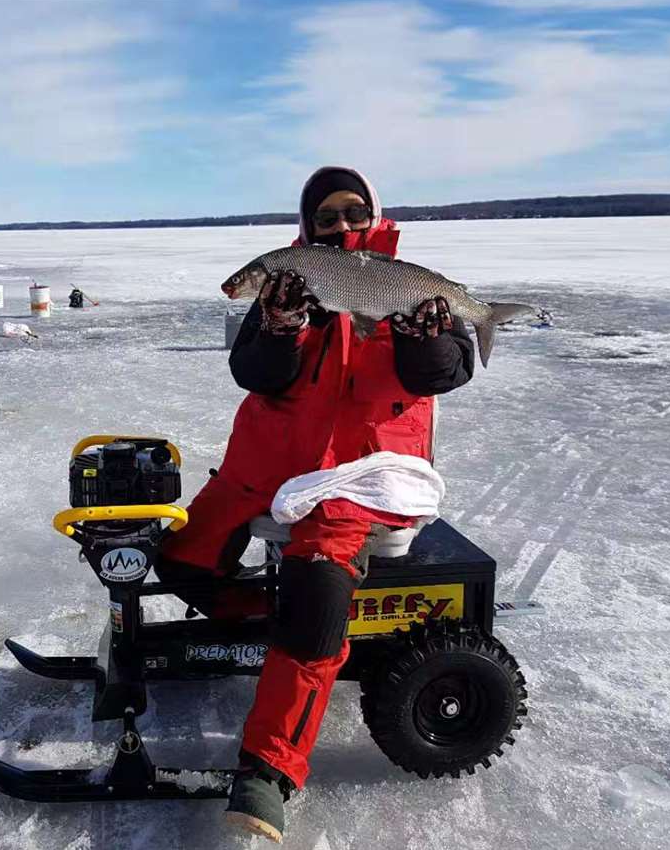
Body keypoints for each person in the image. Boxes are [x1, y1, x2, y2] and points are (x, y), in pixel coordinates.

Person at [157, 166, 476, 842]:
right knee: (180, 559)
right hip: (264, 465)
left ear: (372, 215)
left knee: (317, 588)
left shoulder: (402, 281)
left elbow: (447, 371)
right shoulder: (288, 280)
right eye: (324, 216)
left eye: (352, 211)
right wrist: (279, 327)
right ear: (308, 226)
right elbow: (252, 371)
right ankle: (287, 632)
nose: (340, 224)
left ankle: (268, 769)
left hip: (357, 476)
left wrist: (424, 337)